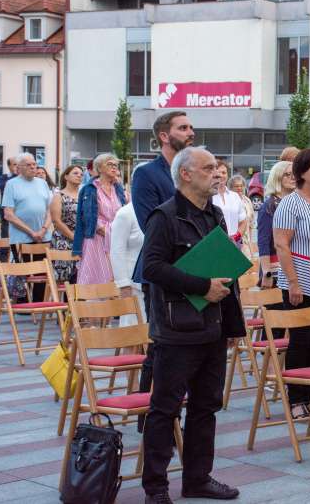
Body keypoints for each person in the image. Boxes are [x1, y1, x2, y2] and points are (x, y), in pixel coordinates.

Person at [141, 146, 243, 503]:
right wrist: (201, 286)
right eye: (209, 168)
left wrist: (232, 326)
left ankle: (198, 479)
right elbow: (150, 268)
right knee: (164, 409)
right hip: (177, 329)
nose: (217, 174)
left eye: (217, 167)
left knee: (206, 406)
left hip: (212, 327)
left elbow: (226, 270)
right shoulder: (164, 217)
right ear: (186, 174)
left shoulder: (213, 214)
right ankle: (155, 486)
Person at [132, 111, 195, 424]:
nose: (191, 132)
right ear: (164, 136)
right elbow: (150, 225)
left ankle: (182, 411)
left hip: (196, 272)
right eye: (183, 127)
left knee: (191, 347)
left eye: (191, 126)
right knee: (161, 343)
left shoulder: (194, 172)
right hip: (161, 271)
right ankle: (150, 414)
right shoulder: (147, 174)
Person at [273, 149, 310, 419]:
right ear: (302, 172)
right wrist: (293, 282)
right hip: (299, 281)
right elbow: (281, 244)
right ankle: (296, 399)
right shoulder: (290, 203)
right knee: (300, 340)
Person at [1, 153, 53, 300]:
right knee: (23, 272)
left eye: (34, 164)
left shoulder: (42, 183)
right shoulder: (11, 184)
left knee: (42, 272)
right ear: (19, 168)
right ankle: (23, 304)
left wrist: (43, 229)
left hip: (43, 236)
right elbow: (8, 214)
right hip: (21, 237)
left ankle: (39, 303)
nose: (32, 167)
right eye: (28, 165)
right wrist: (31, 232)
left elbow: (50, 210)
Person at [72, 153, 127, 285]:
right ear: (100, 168)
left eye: (115, 165)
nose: (114, 168)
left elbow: (125, 211)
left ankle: (113, 305)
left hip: (116, 235)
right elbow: (86, 215)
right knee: (95, 276)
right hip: (96, 237)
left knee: (115, 277)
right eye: (110, 164)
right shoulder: (90, 189)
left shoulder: (118, 189)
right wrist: (102, 229)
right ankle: (92, 305)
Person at [257, 161, 295, 288]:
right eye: (287, 174)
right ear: (277, 177)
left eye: (294, 174)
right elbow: (263, 241)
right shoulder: (269, 206)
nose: (293, 177)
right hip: (275, 269)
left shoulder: (293, 203)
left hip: (293, 267)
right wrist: (267, 273)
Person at [110, 201, 145, 326]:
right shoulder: (125, 213)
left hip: (156, 283)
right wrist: (123, 284)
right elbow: (116, 250)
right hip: (133, 284)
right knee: (133, 333)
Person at [50, 165, 83, 283]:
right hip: (63, 240)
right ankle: (63, 302)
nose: (79, 175)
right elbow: (56, 221)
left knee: (80, 277)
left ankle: (76, 302)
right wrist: (73, 237)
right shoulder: (58, 196)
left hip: (82, 240)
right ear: (66, 176)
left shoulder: (84, 195)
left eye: (81, 174)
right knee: (63, 279)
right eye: (75, 173)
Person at [212, 161, 247, 250]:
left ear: (227, 175)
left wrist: (236, 237)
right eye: (218, 172)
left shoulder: (235, 196)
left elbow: (243, 221)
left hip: (235, 244)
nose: (221, 175)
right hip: (215, 245)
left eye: (224, 172)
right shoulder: (208, 197)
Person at [229, 174, 255, 259]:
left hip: (246, 244)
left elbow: (251, 224)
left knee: (247, 270)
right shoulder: (228, 202)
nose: (239, 188)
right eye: (236, 186)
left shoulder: (247, 201)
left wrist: (250, 243)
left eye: (241, 186)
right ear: (231, 188)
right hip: (233, 242)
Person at [0, 157, 18, 262]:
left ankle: (19, 264)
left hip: (20, 213)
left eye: (18, 164)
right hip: (7, 214)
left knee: (20, 242)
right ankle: (1, 266)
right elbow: (2, 186)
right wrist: (15, 176)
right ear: (9, 166)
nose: (17, 167)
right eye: (14, 164)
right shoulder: (4, 178)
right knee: (6, 240)